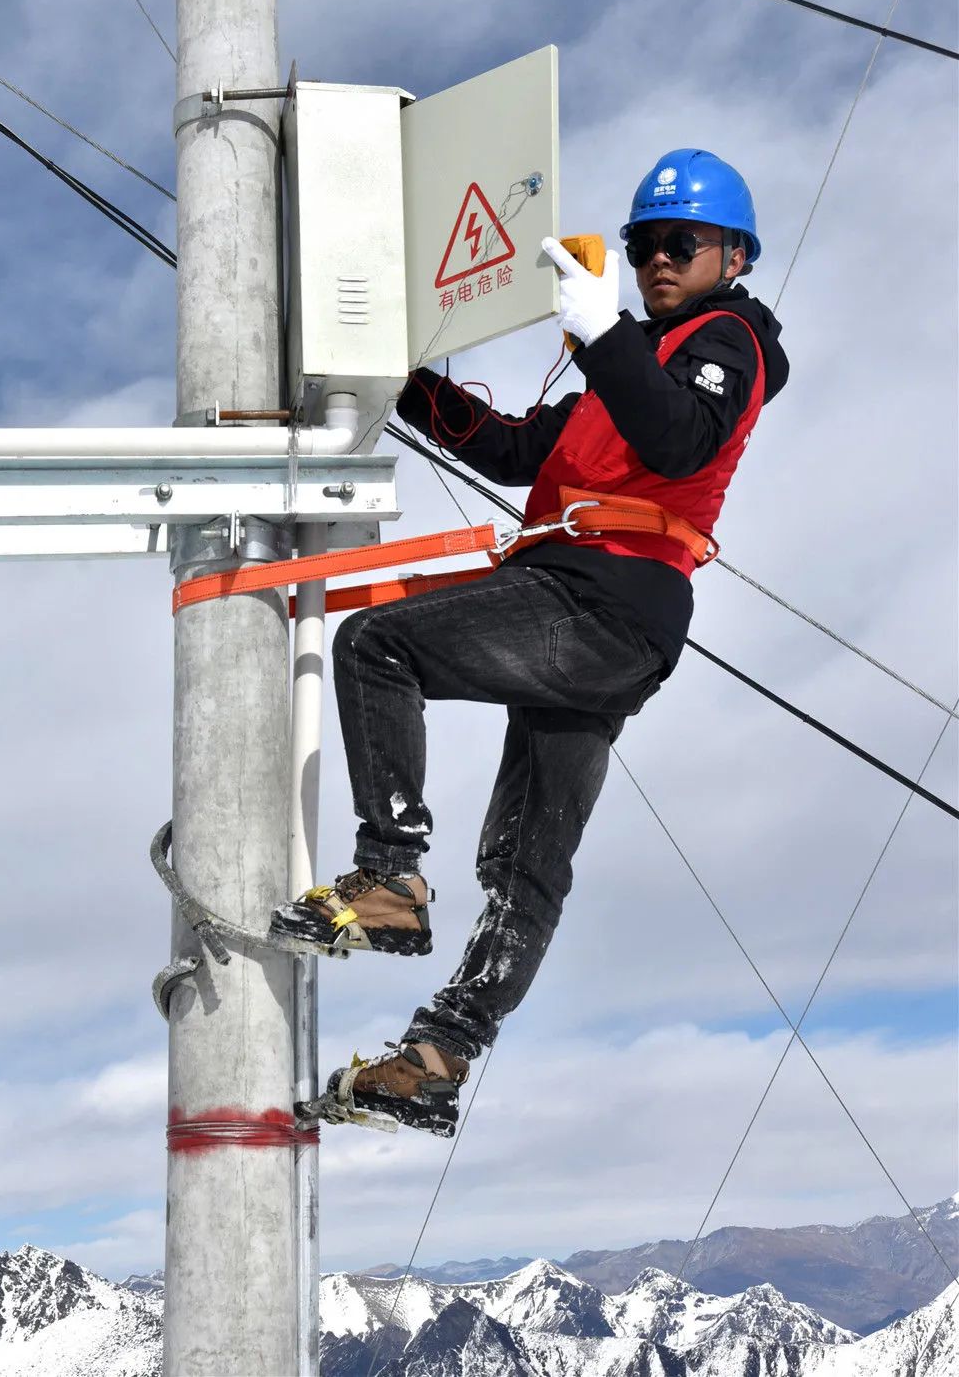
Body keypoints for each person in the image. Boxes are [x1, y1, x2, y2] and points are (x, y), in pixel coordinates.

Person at [272, 148, 789, 1137]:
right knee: (527, 863)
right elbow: (513, 449)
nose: (657, 259)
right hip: (595, 613)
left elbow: (680, 439)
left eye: (680, 243)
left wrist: (603, 334)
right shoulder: (622, 368)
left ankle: (390, 875)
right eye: (644, 244)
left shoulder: (729, 341)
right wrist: (404, 382)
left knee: (379, 646)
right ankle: (436, 1060)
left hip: (607, 601)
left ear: (733, 256)